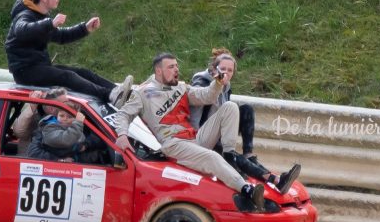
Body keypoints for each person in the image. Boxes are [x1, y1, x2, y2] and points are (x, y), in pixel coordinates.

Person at [113, 53, 266, 212]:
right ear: (159, 71)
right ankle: (247, 190)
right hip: (173, 144)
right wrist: (122, 135)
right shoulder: (142, 93)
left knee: (230, 107)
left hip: (193, 138)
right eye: (171, 67)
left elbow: (206, 96)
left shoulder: (181, 86)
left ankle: (230, 155)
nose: (176, 70)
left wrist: (218, 82)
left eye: (176, 66)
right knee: (212, 156)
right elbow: (123, 114)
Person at [5, 0, 133, 106]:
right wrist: (51, 23)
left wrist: (85, 28)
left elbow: (61, 36)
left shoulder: (41, 17)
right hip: (25, 72)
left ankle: (120, 92)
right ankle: (109, 95)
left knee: (83, 73)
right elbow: (22, 30)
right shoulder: (24, 15)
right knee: (67, 76)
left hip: (39, 67)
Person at [190, 48, 302, 194]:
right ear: (214, 68)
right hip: (201, 135)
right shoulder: (202, 81)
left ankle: (249, 155)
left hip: (218, 132)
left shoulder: (226, 86)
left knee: (246, 109)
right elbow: (194, 111)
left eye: (230, 70)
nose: (227, 73)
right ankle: (275, 179)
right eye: (223, 69)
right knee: (232, 156)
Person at [28, 102, 104, 164]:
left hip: (77, 165)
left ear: (75, 118)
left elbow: (98, 138)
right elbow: (65, 139)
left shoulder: (75, 126)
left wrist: (85, 145)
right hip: (55, 168)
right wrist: (60, 160)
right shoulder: (49, 127)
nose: (65, 119)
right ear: (56, 116)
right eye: (62, 116)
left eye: (70, 117)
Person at [11, 88, 69, 155]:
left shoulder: (63, 120)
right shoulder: (35, 119)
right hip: (30, 162)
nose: (68, 107)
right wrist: (32, 106)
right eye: (65, 104)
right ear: (52, 109)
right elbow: (18, 131)